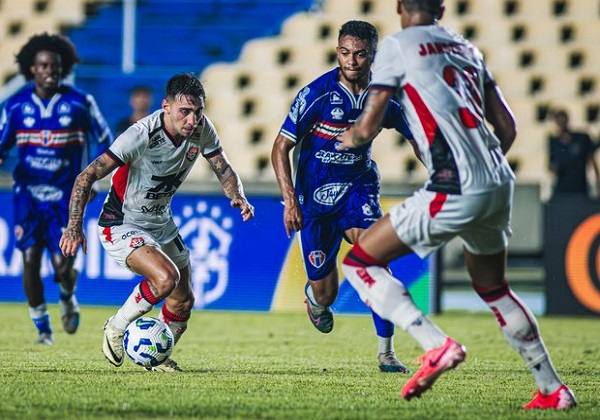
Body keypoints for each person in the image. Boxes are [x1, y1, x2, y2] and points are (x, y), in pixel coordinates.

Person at [337, 0, 576, 410]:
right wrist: (481, 175)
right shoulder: (467, 48)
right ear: (443, 9)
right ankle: (553, 389)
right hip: (498, 180)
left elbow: (370, 121)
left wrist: (351, 139)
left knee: (360, 263)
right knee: (495, 288)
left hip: (454, 184)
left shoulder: (397, 46)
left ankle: (436, 344)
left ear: (398, 6)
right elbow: (508, 127)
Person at [59, 72, 254, 372]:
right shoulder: (140, 134)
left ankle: (157, 356)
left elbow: (222, 167)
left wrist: (237, 195)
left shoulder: (202, 129)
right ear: (166, 106)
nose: (192, 120)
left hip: (161, 222)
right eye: (184, 112)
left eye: (198, 112)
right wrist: (74, 226)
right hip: (122, 223)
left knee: (183, 302)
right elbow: (86, 176)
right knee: (165, 278)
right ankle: (116, 326)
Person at [271, 20, 414, 373]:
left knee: (374, 261)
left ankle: (386, 353)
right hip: (315, 202)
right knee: (326, 294)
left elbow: (417, 136)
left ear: (372, 56)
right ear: (337, 52)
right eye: (345, 53)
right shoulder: (316, 94)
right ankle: (315, 299)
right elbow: (281, 146)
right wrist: (290, 200)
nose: (352, 61)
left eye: (360, 54)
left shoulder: (384, 98)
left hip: (358, 190)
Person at [0, 33, 112, 345]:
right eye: (44, 66)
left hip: (66, 196)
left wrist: (94, 181)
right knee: (30, 259)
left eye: (56, 66)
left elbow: (107, 143)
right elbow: (2, 144)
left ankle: (67, 294)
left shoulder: (80, 102)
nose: (51, 71)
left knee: (63, 265)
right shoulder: (16, 106)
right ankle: (42, 328)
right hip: (28, 196)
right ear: (31, 69)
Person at [548, 108, 600, 199]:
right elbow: (551, 166)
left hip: (580, 189)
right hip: (562, 191)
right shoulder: (554, 142)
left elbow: (592, 161)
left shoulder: (581, 139)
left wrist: (597, 184)